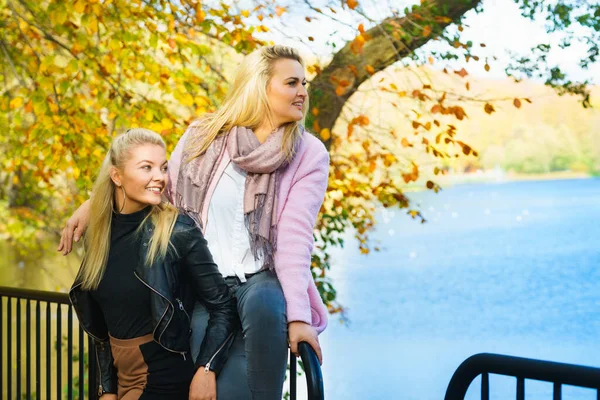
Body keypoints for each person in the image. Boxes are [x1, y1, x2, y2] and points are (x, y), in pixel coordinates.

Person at [60, 45, 329, 400]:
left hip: (259, 279)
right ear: (259, 87)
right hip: (207, 285)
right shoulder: (205, 136)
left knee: (266, 306)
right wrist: (93, 204)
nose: (302, 92)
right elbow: (163, 187)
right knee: (206, 380)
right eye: (292, 82)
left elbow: (295, 240)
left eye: (304, 83)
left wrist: (299, 318)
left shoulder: (307, 153)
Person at [68, 128, 238, 400]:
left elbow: (224, 306)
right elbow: (103, 331)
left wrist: (207, 368)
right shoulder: (98, 233)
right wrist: (107, 389)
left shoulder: (178, 231)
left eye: (163, 168)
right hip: (122, 377)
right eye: (146, 167)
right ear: (117, 176)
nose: (159, 177)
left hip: (162, 377)